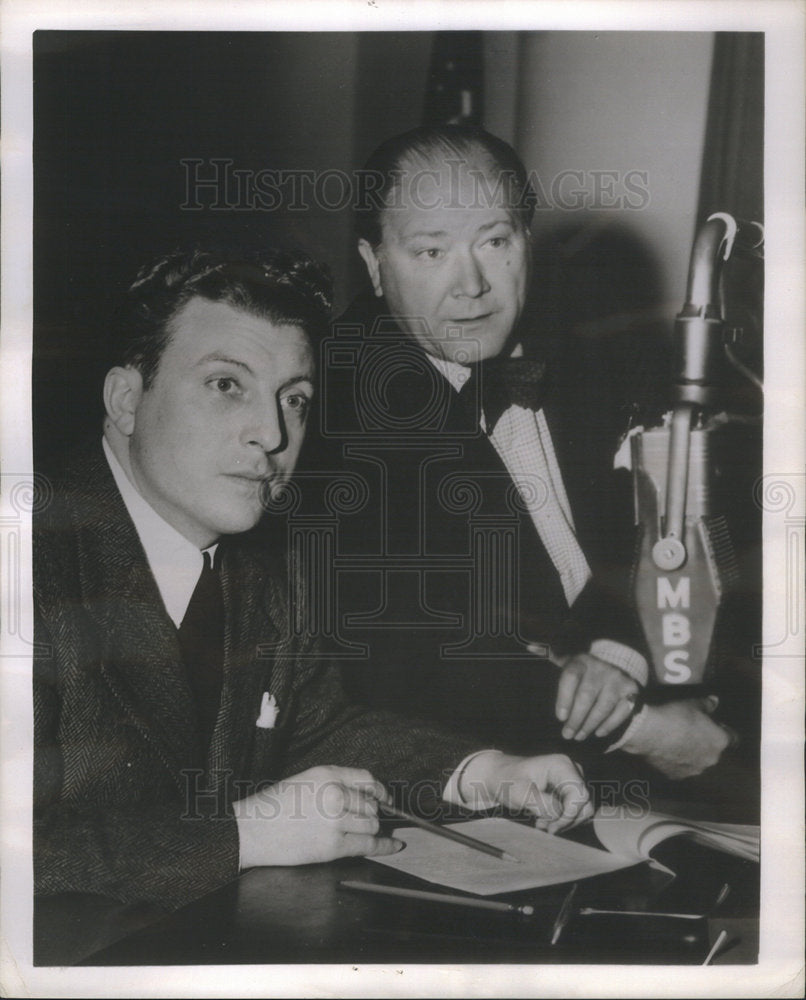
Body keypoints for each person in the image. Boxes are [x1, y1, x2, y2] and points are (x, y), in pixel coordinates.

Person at [33, 249, 593, 910]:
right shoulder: (26, 557)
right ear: (126, 398)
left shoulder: (268, 565)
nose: (271, 435)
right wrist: (245, 835)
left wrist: (483, 775)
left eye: (293, 400)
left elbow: (317, 731)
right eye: (226, 385)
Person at [310, 125, 741, 781]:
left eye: (495, 241)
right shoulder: (333, 412)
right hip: (472, 784)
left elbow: (678, 523)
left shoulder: (599, 347)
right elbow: (401, 663)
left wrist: (620, 656)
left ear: (527, 240)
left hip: (682, 724)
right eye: (430, 252)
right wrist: (642, 729)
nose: (472, 284)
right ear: (374, 264)